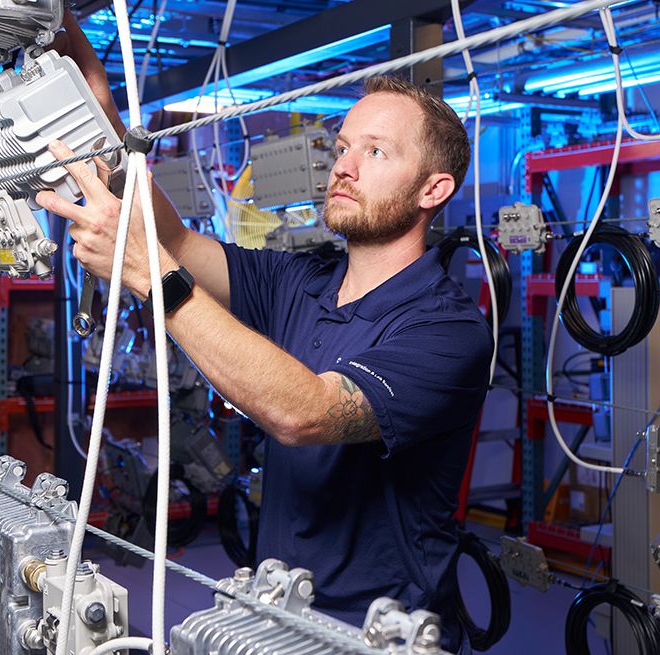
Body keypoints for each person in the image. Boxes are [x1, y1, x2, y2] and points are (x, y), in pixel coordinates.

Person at [45, 13, 492, 653]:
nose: (344, 166)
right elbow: (169, 237)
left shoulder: (446, 327)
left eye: (376, 152)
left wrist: (155, 278)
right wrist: (84, 70)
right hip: (278, 616)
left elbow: (304, 412)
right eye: (343, 147)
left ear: (434, 189)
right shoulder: (300, 281)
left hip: (384, 635)